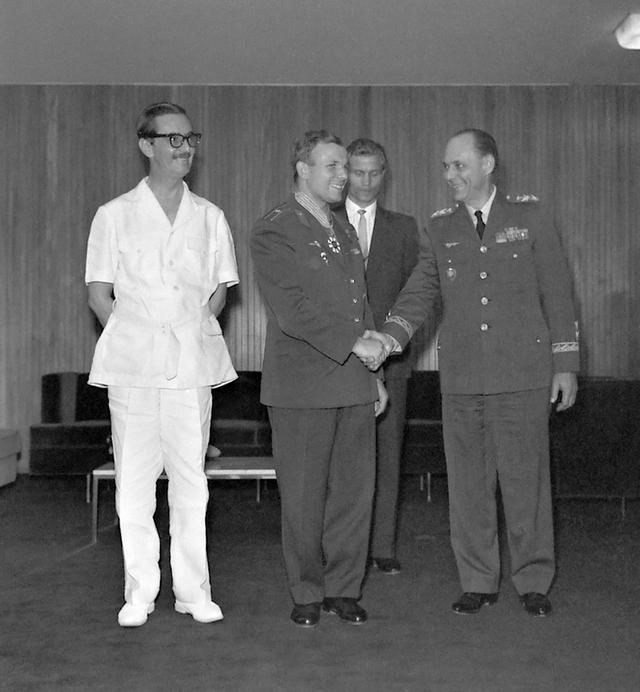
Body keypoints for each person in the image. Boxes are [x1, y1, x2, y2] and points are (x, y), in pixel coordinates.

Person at [375, 128, 579, 617]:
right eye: (446, 167)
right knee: (468, 484)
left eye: (460, 165)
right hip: (464, 378)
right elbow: (422, 291)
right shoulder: (440, 227)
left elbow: (557, 291)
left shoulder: (530, 216)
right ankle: (478, 579)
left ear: (488, 164)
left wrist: (565, 364)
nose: (450, 175)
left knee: (525, 482)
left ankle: (533, 579)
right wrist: (389, 337)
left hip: (523, 374)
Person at [85, 102, 239, 627]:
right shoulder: (114, 214)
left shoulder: (210, 217)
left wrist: (187, 334)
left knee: (190, 480)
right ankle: (139, 591)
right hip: (131, 366)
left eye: (189, 138)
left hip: (192, 366)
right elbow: (98, 293)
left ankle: (194, 591)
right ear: (145, 145)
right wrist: (136, 337)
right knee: (134, 483)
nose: (185, 148)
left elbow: (218, 292)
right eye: (172, 139)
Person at [250, 130, 388, 628]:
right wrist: (355, 344)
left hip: (353, 380)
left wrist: (375, 371)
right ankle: (307, 590)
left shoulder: (343, 228)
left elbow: (360, 302)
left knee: (354, 494)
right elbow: (293, 310)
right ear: (302, 169)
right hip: (302, 385)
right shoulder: (274, 228)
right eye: (331, 166)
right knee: (305, 496)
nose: (342, 176)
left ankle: (344, 590)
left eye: (345, 167)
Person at [334, 138, 419, 575]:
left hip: (393, 361)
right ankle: (342, 548)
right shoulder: (323, 222)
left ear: (385, 175)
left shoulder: (404, 228)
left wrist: (390, 343)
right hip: (336, 358)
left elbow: (415, 297)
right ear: (345, 172)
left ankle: (381, 546)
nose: (365, 182)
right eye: (358, 172)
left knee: (388, 455)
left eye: (374, 173)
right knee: (342, 460)